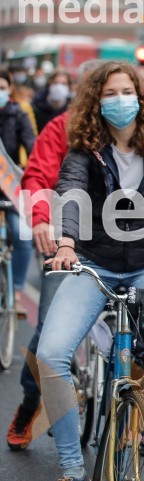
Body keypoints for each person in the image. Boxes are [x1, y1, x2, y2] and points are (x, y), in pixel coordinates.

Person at [36, 62, 144, 481]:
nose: (119, 101)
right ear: (97, 101)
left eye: (126, 91)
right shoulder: (84, 145)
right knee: (49, 354)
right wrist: (67, 245)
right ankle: (74, 469)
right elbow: (70, 191)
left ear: (141, 96)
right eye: (109, 93)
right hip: (93, 263)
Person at [5, 59, 103, 452]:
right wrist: (42, 221)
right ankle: (30, 403)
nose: (107, 100)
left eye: (117, 92)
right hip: (65, 241)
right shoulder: (60, 127)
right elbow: (38, 178)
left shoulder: (142, 130)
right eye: (99, 91)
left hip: (126, 247)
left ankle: (138, 413)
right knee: (49, 332)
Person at [0, 69, 36, 314]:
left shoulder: (18, 115)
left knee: (24, 236)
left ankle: (17, 292)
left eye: (2, 87)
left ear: (9, 89)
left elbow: (33, 149)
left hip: (10, 187)